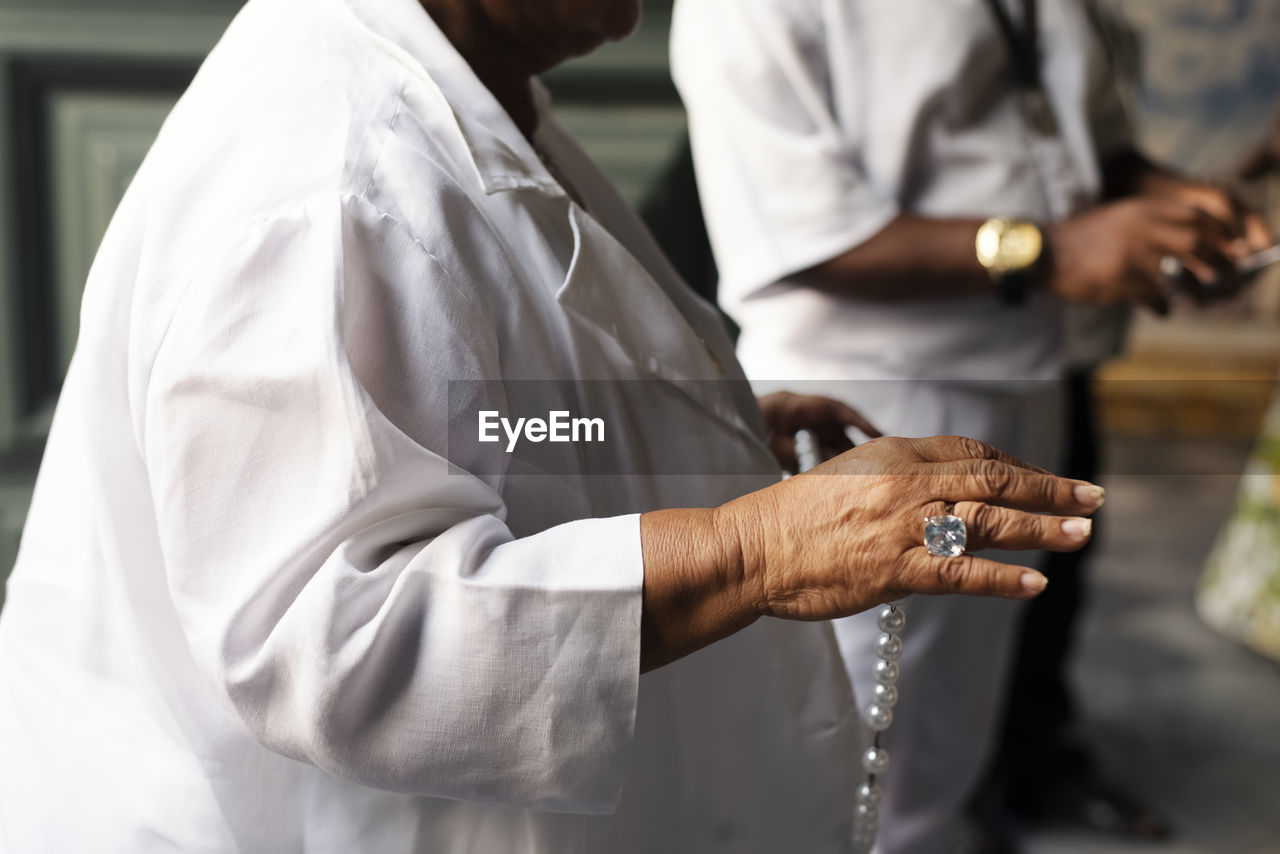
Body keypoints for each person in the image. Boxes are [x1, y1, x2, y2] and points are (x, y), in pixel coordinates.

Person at [0, 0, 1103, 850]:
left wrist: (657, 438)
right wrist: (755, 544)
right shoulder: (324, 184)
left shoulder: (453, 85)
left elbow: (431, 419)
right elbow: (342, 639)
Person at [670, 1, 1271, 851]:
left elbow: (1080, 151)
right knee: (855, 733)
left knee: (951, 724)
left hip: (1032, 374)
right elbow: (795, 235)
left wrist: (1175, 214)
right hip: (870, 403)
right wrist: (1057, 251)